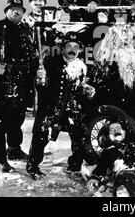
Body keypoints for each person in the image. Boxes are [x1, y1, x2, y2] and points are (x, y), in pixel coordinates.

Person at [0, 0, 39, 172]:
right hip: (2, 81)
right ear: (6, 10)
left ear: (23, 12)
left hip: (23, 81)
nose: (16, 11)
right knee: (0, 121)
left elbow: (33, 56)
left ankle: (14, 148)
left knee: (17, 118)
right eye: (13, 9)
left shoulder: (28, 30)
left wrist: (37, 72)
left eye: (19, 10)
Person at [26, 32, 96, 180]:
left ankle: (75, 165)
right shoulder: (50, 63)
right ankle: (33, 166)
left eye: (76, 47)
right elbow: (40, 88)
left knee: (80, 136)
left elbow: (81, 89)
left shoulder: (82, 66)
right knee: (41, 135)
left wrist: (87, 89)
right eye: (69, 46)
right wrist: (40, 80)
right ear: (62, 48)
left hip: (71, 108)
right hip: (51, 107)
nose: (72, 50)